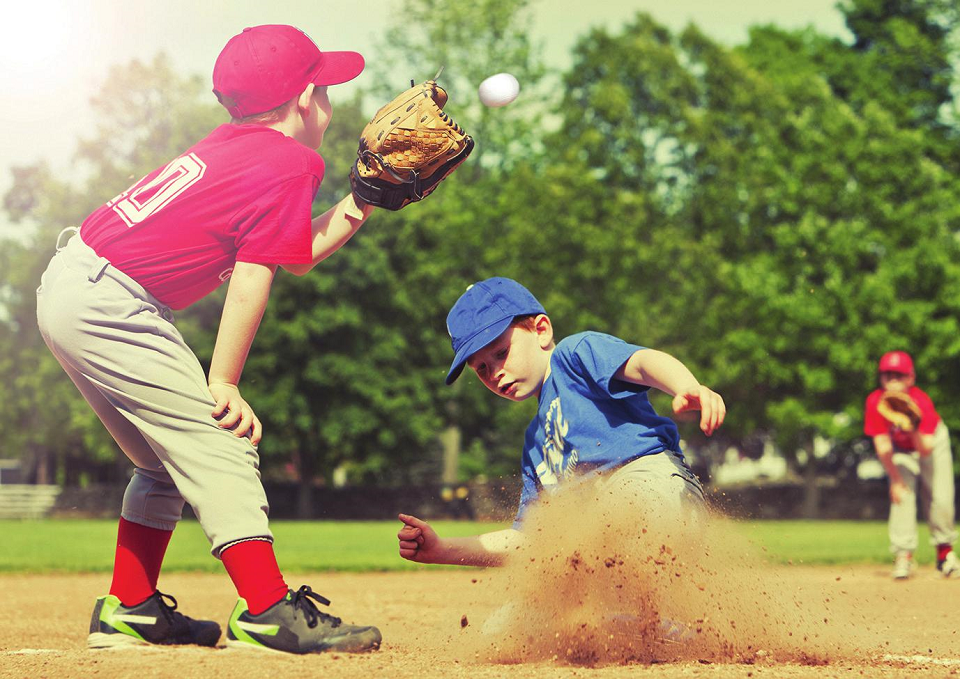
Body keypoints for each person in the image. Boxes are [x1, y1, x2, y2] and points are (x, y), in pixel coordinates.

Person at [36, 24, 382, 654]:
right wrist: (222, 381)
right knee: (222, 439)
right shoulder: (293, 160)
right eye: (326, 88)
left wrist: (361, 203)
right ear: (306, 99)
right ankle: (267, 609)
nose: (330, 103)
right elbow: (256, 275)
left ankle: (132, 609)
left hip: (73, 285)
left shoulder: (236, 148)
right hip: (113, 302)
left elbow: (292, 252)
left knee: (159, 464)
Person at [397, 277, 724, 568]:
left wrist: (686, 386)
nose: (494, 372)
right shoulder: (535, 446)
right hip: (602, 534)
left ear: (541, 330)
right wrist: (442, 549)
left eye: (500, 353)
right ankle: (643, 626)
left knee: (603, 523)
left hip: (654, 487)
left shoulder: (574, 356)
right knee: (520, 619)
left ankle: (653, 620)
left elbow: (642, 363)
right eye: (480, 368)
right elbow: (530, 541)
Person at [864, 351, 959, 580]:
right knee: (902, 496)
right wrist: (895, 480)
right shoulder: (876, 401)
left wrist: (911, 425)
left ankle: (945, 555)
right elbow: (882, 444)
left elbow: (925, 449)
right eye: (887, 375)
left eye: (899, 375)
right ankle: (903, 556)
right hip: (900, 451)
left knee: (940, 497)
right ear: (881, 378)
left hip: (931, 443)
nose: (893, 380)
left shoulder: (921, 401)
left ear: (910, 378)